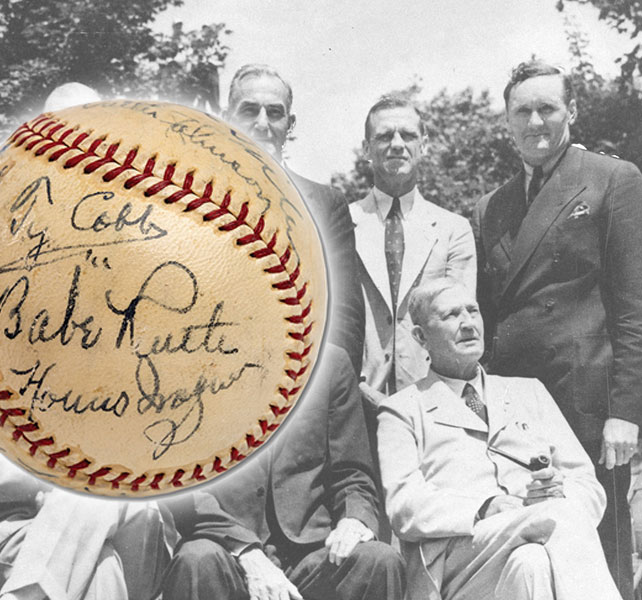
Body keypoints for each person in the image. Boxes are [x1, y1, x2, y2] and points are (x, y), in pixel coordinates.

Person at [474, 60, 642, 598]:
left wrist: (625, 412)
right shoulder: (490, 207)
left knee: (601, 551)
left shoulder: (613, 179)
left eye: (547, 107)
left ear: (572, 110)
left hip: (586, 404)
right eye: (522, 111)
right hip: (517, 412)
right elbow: (489, 315)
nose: (535, 121)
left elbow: (632, 308)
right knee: (530, 555)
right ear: (507, 122)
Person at [378, 277, 618, 599]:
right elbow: (404, 506)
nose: (467, 324)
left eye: (472, 311)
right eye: (451, 316)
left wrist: (558, 492)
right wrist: (486, 506)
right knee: (556, 519)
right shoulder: (402, 410)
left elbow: (587, 485)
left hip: (536, 541)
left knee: (530, 562)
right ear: (421, 337)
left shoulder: (528, 391)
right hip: (457, 561)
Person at [163, 346, 405, 600]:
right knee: (196, 559)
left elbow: (351, 474)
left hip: (313, 552)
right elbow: (184, 489)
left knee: (379, 560)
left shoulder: (330, 362)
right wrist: (245, 549)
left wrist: (354, 519)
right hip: (227, 549)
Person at [0, 403, 171, 600]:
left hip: (134, 539)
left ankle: (23, 594)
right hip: (15, 536)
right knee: (103, 563)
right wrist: (48, 473)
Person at [225, 64, 365, 372]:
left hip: (297, 383)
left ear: (290, 123)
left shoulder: (325, 205)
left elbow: (345, 316)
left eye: (275, 113)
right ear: (227, 117)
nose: (262, 124)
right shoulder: (187, 196)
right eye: (249, 110)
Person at [351, 96, 475, 401]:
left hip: (433, 400)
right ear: (366, 148)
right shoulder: (342, 224)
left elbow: (458, 324)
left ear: (425, 144)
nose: (396, 144)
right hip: (356, 400)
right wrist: (359, 390)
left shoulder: (453, 229)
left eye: (407, 135)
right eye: (383, 136)